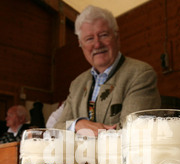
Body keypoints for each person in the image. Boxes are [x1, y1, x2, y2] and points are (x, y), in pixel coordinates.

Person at [53, 5, 161, 136]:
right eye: (89, 39)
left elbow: (133, 133)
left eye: (103, 35)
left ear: (117, 38)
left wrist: (78, 131)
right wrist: (77, 124)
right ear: (81, 45)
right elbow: (57, 128)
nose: (97, 44)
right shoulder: (77, 84)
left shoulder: (140, 74)